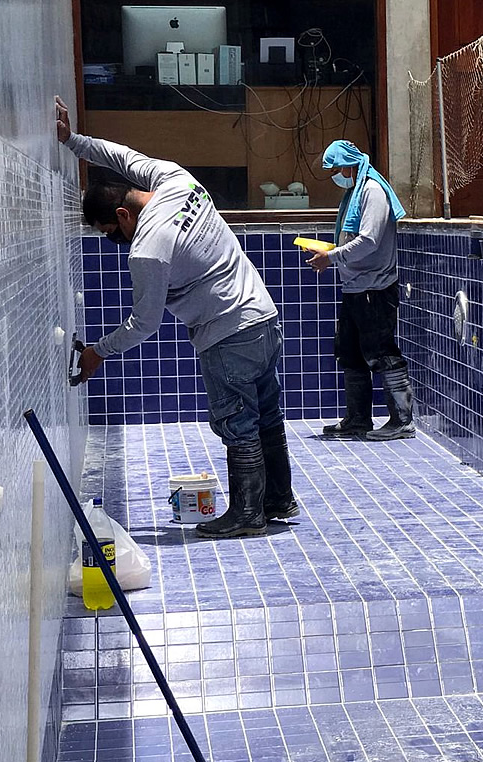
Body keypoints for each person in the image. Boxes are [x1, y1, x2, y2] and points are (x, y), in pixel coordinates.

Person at [54, 96, 297, 539]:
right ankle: (278, 500)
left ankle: (248, 514)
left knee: (237, 422)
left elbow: (144, 324)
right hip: (262, 317)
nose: (116, 243)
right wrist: (73, 141)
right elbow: (121, 156)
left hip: (226, 333)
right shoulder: (174, 179)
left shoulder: (149, 247)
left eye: (112, 233)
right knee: (266, 414)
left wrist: (97, 352)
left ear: (123, 214)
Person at [307, 139, 414, 441]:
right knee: (351, 353)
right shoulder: (355, 193)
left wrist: (332, 256)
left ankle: (402, 420)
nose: (336, 176)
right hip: (356, 287)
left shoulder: (372, 192)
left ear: (349, 165)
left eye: (337, 169)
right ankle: (357, 419)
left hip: (375, 289)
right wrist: (331, 253)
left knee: (382, 352)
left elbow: (368, 240)